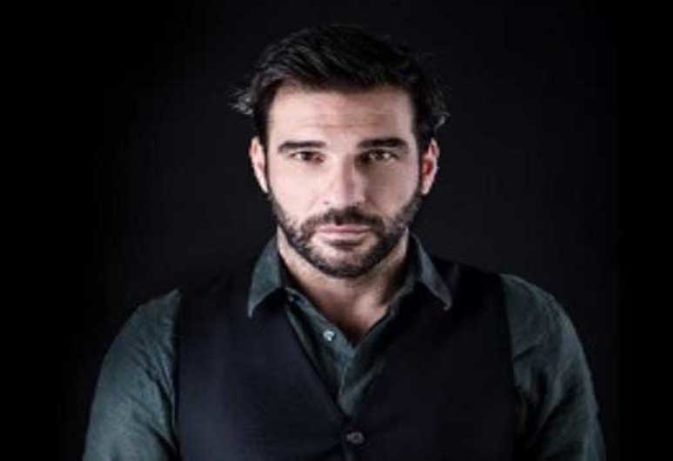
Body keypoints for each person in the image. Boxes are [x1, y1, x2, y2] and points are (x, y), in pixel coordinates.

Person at [84, 24, 606, 460]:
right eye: (307, 156)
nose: (344, 194)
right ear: (261, 166)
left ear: (426, 167)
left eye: (377, 155)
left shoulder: (525, 324)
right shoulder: (163, 339)